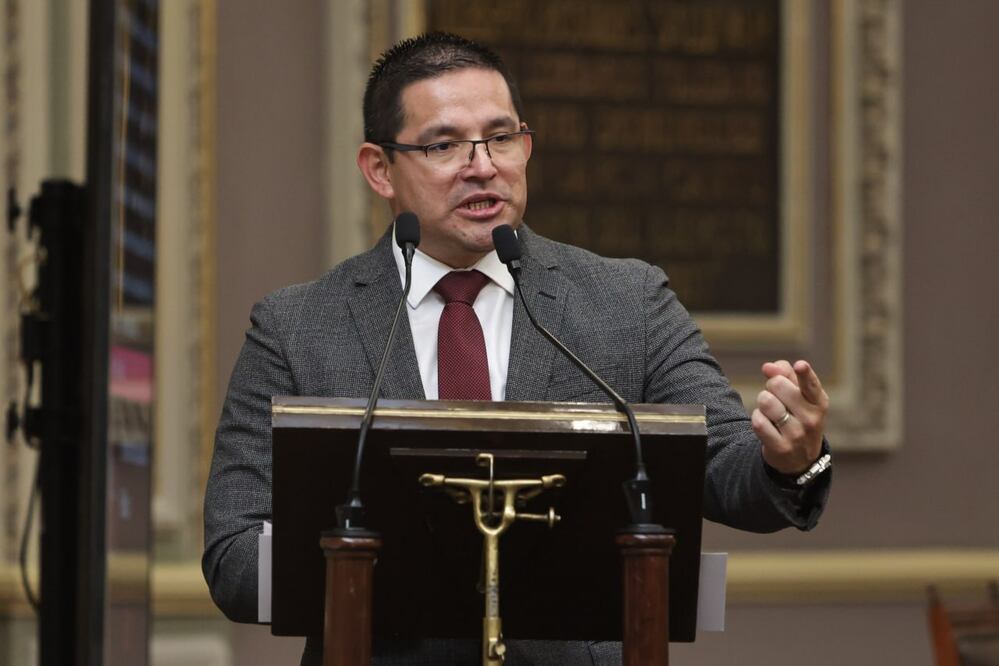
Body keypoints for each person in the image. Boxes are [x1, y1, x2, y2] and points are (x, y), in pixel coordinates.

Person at [203, 32, 832, 666]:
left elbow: (725, 465)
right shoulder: (297, 324)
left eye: (501, 138)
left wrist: (790, 459)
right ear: (379, 168)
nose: (483, 166)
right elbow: (233, 555)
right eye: (445, 144)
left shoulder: (628, 300)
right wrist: (398, 559)